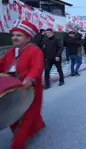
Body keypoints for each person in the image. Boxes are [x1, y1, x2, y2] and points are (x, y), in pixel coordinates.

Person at [0, 20, 45, 149]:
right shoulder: (11, 51)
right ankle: (38, 126)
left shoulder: (35, 51)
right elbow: (1, 64)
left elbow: (37, 67)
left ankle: (18, 144)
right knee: (12, 116)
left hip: (30, 89)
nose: (14, 37)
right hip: (12, 89)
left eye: (19, 35)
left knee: (27, 117)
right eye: (13, 35)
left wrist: (30, 78)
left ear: (28, 37)